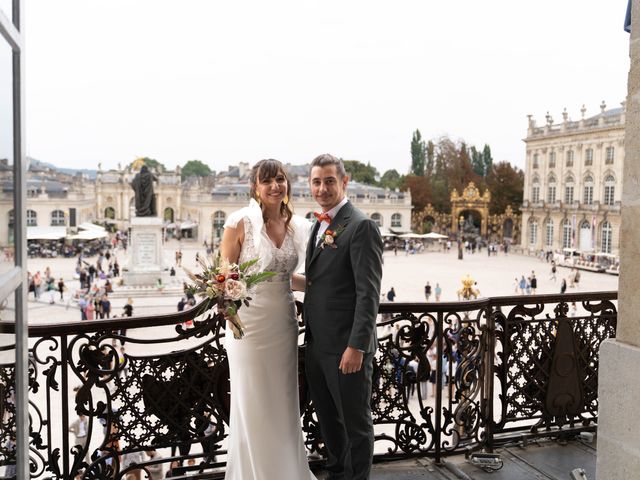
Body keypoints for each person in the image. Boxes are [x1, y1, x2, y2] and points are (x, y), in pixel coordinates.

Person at [219, 159, 315, 480]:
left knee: (284, 401)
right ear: (254, 187)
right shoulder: (239, 222)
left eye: (280, 180)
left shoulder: (296, 225)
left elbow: (286, 277)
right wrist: (231, 316)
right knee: (252, 401)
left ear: (287, 184)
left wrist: (324, 285)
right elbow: (223, 277)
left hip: (283, 323)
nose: (275, 186)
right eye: (267, 181)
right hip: (248, 327)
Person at [303, 154, 383, 480]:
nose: (322, 188)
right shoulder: (319, 224)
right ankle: (337, 473)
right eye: (316, 181)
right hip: (317, 345)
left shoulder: (361, 226)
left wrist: (357, 346)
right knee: (329, 422)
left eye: (329, 181)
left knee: (355, 425)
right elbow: (315, 281)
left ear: (344, 182)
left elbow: (369, 294)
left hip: (345, 349)